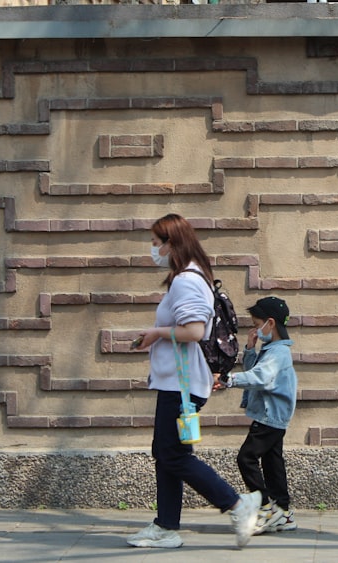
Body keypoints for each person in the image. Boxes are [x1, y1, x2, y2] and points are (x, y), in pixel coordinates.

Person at [126, 213, 260, 549]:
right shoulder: (192, 276)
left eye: (156, 244)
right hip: (178, 383)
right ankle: (166, 526)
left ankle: (237, 504)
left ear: (172, 244)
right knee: (167, 452)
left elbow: (195, 331)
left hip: (181, 385)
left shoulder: (186, 280)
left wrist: (156, 333)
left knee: (173, 455)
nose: (153, 250)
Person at [215, 296, 298, 535]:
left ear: (270, 323)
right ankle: (283, 511)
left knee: (246, 458)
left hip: (270, 417)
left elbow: (260, 377)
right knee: (273, 462)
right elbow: (255, 371)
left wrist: (228, 380)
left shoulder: (278, 354)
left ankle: (265, 507)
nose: (255, 329)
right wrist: (250, 349)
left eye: (257, 323)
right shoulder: (271, 350)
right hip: (272, 415)